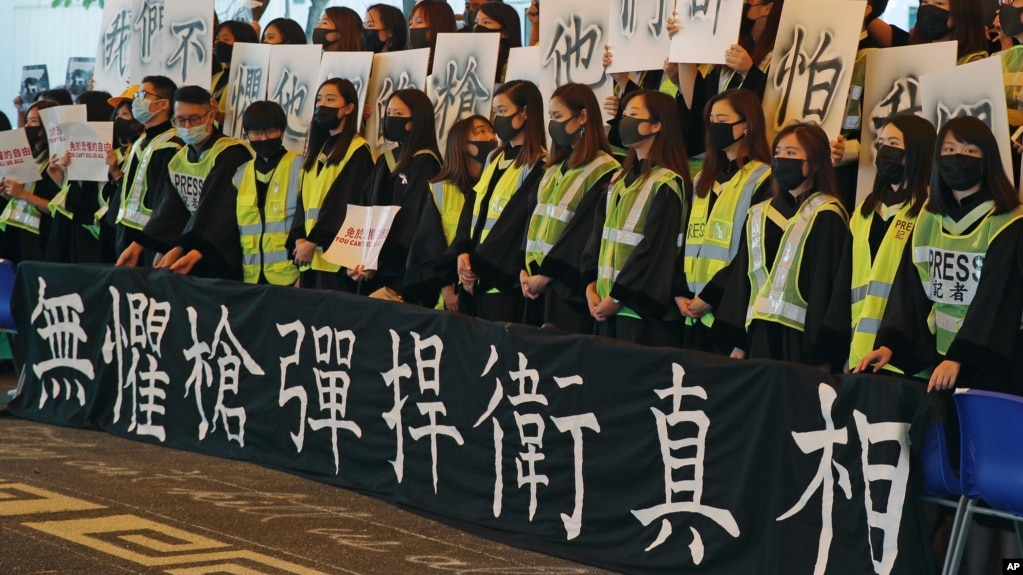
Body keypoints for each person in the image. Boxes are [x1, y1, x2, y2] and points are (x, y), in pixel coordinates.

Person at [857, 116, 1023, 396]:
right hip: (942, 359)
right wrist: (891, 344)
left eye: (969, 151)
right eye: (948, 150)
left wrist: (960, 356)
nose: (958, 157)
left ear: (987, 160)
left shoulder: (1008, 221)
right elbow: (910, 288)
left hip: (995, 364)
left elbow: (996, 298)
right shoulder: (928, 218)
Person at [713, 122, 849, 370]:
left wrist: (823, 354)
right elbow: (743, 281)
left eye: (791, 153)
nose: (781, 159)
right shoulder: (759, 213)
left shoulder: (827, 214)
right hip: (756, 337)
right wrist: (738, 342)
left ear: (816, 162)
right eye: (778, 152)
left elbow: (826, 287)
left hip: (800, 343)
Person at [825, 114, 934, 374]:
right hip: (860, 355)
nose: (885, 151)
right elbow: (844, 284)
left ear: (918, 151)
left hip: (908, 360)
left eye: (894, 144)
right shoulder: (864, 211)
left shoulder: (930, 211)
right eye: (882, 143)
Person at [582, 90, 690, 346]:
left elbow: (655, 250)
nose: (625, 120)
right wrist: (590, 286)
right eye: (624, 114)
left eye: (633, 114)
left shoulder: (667, 183)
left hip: (641, 315)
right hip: (604, 305)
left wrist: (618, 297)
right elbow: (598, 237)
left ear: (656, 125)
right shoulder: (618, 180)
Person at [116, 85, 253, 280]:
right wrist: (141, 244)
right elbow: (171, 209)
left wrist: (181, 248)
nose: (187, 126)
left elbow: (218, 212)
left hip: (220, 255)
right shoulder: (179, 160)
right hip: (188, 254)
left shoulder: (231, 154)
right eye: (180, 120)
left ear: (211, 116)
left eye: (194, 119)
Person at [676, 89, 773, 353]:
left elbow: (751, 252)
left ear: (747, 125)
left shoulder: (765, 179)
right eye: (711, 121)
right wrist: (680, 292)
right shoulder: (702, 179)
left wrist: (711, 295)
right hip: (690, 311)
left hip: (729, 311)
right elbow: (685, 240)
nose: (714, 127)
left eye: (722, 119)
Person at [521, 83, 620, 333]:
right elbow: (534, 219)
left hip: (567, 289)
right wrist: (524, 270)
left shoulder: (605, 169)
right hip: (535, 285)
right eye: (550, 117)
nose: (553, 124)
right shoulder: (554, 167)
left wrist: (546, 277)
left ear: (583, 116)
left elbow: (582, 234)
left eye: (559, 117)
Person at [453, 80, 547, 323]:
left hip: (502, 284)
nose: (497, 119)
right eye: (495, 112)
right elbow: (472, 205)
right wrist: (462, 250)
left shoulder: (540, 164)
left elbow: (515, 225)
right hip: (472, 275)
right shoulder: (494, 156)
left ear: (525, 113)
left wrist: (476, 266)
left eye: (503, 112)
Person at [667, 0, 785, 157]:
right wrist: (683, 39)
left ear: (767, 8)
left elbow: (775, 108)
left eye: (747, 1)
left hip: (752, 155)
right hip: (718, 155)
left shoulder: (779, 57)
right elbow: (699, 102)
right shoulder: (732, 50)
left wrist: (749, 72)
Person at [360, 89, 444, 305]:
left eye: (398, 114)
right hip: (372, 265)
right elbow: (366, 206)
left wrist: (379, 260)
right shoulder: (385, 160)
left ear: (417, 120)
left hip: (402, 269)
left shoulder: (426, 162)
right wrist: (361, 256)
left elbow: (412, 220)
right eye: (388, 113)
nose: (391, 119)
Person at [290, 78, 374, 291]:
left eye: (330, 99)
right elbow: (303, 202)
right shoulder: (317, 150)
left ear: (349, 108)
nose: (322, 105)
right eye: (319, 100)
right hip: (309, 260)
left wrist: (314, 241)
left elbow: (345, 202)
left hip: (337, 263)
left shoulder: (358, 150)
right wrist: (300, 238)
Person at [109, 75, 182, 263]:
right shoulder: (141, 140)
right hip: (126, 231)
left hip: (150, 239)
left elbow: (167, 201)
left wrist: (160, 244)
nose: (136, 100)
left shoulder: (172, 144)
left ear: (163, 104)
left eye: (142, 95)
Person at [431, 115, 497, 312]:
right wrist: (447, 289)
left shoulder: (494, 186)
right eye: (481, 131)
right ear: (462, 145)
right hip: (444, 300)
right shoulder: (440, 189)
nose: (492, 137)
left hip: (481, 289)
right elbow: (430, 246)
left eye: (492, 131)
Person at [232, 101, 302, 286]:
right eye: (256, 133)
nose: (263, 139)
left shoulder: (300, 167)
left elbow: (308, 224)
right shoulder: (240, 174)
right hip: (251, 278)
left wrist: (304, 275)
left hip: (290, 277)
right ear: (247, 134)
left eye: (270, 131)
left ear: (282, 131)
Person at [44, 90, 115, 264]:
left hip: (92, 229)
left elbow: (92, 194)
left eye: (79, 108)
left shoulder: (111, 151)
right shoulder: (72, 143)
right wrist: (60, 174)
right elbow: (72, 190)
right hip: (68, 221)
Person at [0, 100, 61, 263]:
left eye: (33, 121)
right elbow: (21, 197)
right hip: (16, 232)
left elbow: (55, 207)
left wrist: (22, 194)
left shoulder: (57, 162)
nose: (27, 126)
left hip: (41, 239)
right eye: (26, 120)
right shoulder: (32, 156)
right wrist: (9, 193)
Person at [212, 20, 259, 122]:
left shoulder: (251, 79)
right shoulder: (216, 77)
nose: (219, 43)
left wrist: (218, 115)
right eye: (217, 39)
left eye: (226, 39)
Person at [473, 2, 521, 82]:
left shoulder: (513, 66)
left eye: (486, 22)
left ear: (504, 33)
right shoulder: (474, 61)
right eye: (476, 22)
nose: (478, 27)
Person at [408, 0, 458, 74]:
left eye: (419, 22)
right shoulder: (410, 62)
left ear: (439, 25)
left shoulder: (452, 64)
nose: (411, 27)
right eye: (411, 23)